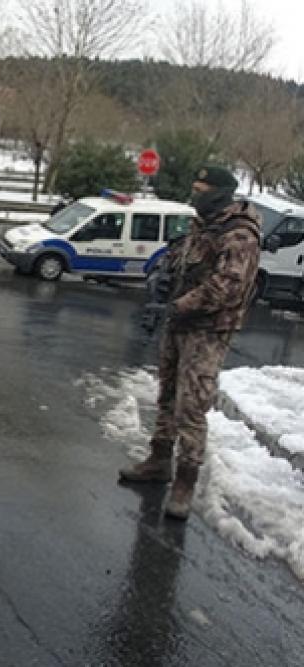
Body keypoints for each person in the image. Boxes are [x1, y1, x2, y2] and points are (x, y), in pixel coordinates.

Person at [119, 165, 262, 520]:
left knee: (191, 405)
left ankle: (185, 481)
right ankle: (159, 460)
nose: (195, 193)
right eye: (194, 186)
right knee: (167, 393)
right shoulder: (203, 225)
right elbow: (180, 261)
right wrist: (160, 279)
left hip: (207, 330)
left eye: (202, 188)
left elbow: (227, 287)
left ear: (220, 193)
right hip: (179, 324)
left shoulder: (239, 235)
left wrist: (177, 305)